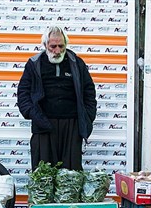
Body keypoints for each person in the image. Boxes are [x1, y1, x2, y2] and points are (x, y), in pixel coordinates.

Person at [17, 26, 97, 171]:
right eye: (53, 46)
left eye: (61, 46)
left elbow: (89, 92)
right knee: (43, 176)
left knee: (71, 176)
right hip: (43, 126)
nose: (57, 51)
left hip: (72, 127)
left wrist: (88, 117)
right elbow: (23, 94)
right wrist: (34, 116)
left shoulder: (77, 63)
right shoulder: (34, 64)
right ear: (45, 45)